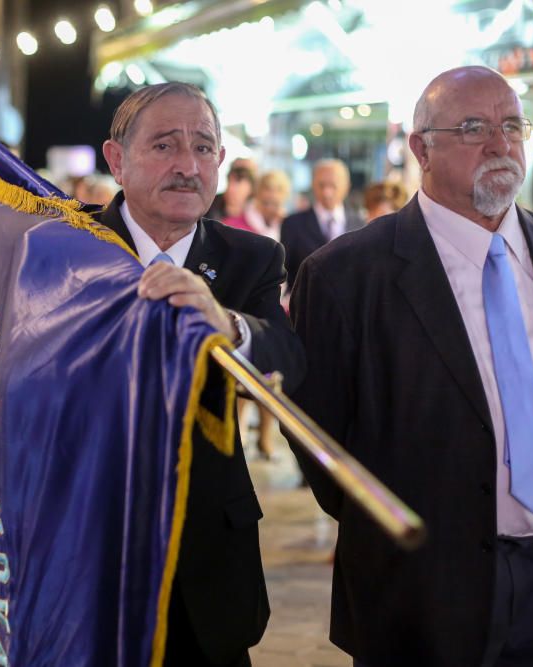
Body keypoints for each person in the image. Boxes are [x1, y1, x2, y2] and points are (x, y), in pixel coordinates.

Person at [289, 65, 533, 667]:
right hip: (424, 594)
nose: (500, 143)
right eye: (473, 127)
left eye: (512, 125)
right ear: (421, 149)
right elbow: (321, 442)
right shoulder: (346, 276)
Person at [99, 82, 306, 667]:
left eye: (203, 147)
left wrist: (227, 324)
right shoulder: (68, 247)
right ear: (117, 160)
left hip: (207, 556)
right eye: (164, 146)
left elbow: (287, 360)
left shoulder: (252, 257)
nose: (187, 166)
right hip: (86, 546)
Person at [280, 158, 364, 291]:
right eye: (321, 185)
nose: (327, 192)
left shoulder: (360, 224)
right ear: (313, 185)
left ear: (346, 186)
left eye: (333, 185)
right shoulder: (293, 224)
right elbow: (283, 271)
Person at [206, 157, 256, 222]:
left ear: (250, 188)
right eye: (230, 182)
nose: (232, 188)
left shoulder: (255, 212)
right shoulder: (210, 203)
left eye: (238, 184)